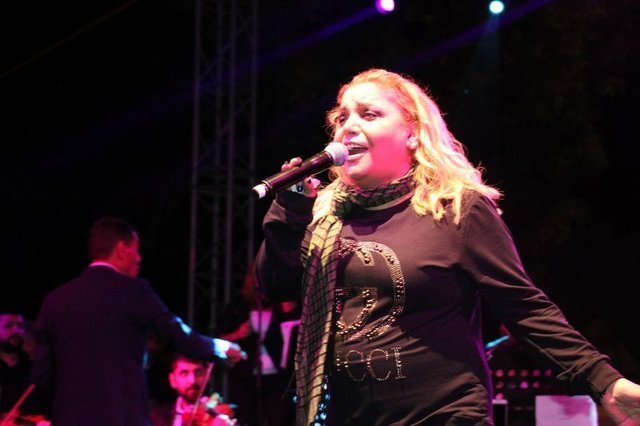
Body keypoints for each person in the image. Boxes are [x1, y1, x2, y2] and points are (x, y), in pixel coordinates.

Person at [254, 68, 640, 425]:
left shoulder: (455, 208)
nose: (348, 127)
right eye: (342, 118)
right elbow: (276, 285)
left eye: (369, 114)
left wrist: (603, 382)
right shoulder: (324, 215)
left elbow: (525, 308)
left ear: (412, 134)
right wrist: (289, 211)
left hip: (443, 415)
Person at [30, 216, 245, 426]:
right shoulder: (134, 291)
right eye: (136, 249)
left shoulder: (54, 301)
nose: (139, 258)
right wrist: (221, 348)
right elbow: (178, 334)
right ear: (122, 249)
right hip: (122, 418)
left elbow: (42, 374)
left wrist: (61, 411)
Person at [216, 263, 300, 426]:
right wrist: (238, 334)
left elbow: (293, 322)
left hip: (277, 376)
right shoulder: (238, 305)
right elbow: (219, 338)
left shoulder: (278, 304)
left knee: (279, 418)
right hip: (247, 376)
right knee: (249, 418)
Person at [150, 353, 237, 426]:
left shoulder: (221, 411)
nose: (192, 380)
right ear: (173, 380)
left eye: (198, 372)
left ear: (207, 376)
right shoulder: (158, 417)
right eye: (184, 373)